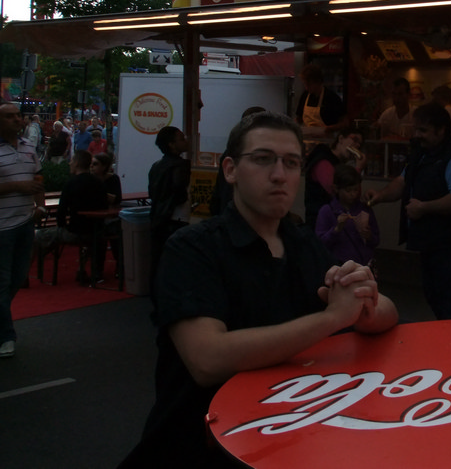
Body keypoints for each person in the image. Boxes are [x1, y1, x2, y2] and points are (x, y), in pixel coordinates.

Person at [118, 111, 398, 468]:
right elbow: (207, 359)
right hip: (200, 447)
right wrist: (333, 318)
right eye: (263, 159)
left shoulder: (302, 244)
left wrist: (364, 301)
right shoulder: (192, 249)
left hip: (288, 439)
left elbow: (387, 312)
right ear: (230, 170)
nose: (279, 174)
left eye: (291, 163)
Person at [368, 102, 451, 319]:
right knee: (433, 294)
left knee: (450, 298)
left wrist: (423, 208)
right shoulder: (421, 153)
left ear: (441, 130)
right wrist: (380, 196)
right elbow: (402, 182)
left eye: (423, 130)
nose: (417, 135)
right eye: (416, 129)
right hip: (430, 241)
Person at [0, 103, 46, 358]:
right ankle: (6, 336)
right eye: (10, 117)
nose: (17, 120)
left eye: (18, 115)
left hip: (25, 223)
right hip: (2, 226)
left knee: (18, 277)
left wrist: (41, 206)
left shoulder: (28, 147)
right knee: (3, 281)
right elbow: (26, 184)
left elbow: (38, 179)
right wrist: (17, 186)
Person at [35, 151, 109, 283]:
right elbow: (105, 205)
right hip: (96, 231)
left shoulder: (71, 183)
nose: (69, 163)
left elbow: (61, 211)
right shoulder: (99, 183)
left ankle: (26, 274)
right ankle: (84, 269)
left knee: (38, 235)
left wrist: (62, 226)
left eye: (72, 161)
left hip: (75, 232)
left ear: (77, 163)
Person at [316, 164, 380, 267]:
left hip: (363, 265)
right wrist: (336, 230)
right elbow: (320, 244)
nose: (353, 194)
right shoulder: (327, 211)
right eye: (348, 190)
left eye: (356, 190)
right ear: (336, 189)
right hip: (339, 265)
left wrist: (369, 236)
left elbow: (376, 240)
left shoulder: (364, 210)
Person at [147, 126, 191, 274]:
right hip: (177, 217)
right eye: (181, 139)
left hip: (159, 217)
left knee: (159, 260)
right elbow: (180, 193)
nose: (186, 141)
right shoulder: (181, 166)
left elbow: (152, 192)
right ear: (171, 144)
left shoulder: (156, 166)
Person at [295, 62, 349, 136]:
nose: (306, 88)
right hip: (307, 139)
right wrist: (294, 127)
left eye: (309, 84)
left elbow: (345, 123)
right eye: (305, 84)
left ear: (318, 82)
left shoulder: (332, 97)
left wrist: (330, 128)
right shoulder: (305, 96)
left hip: (326, 140)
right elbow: (299, 119)